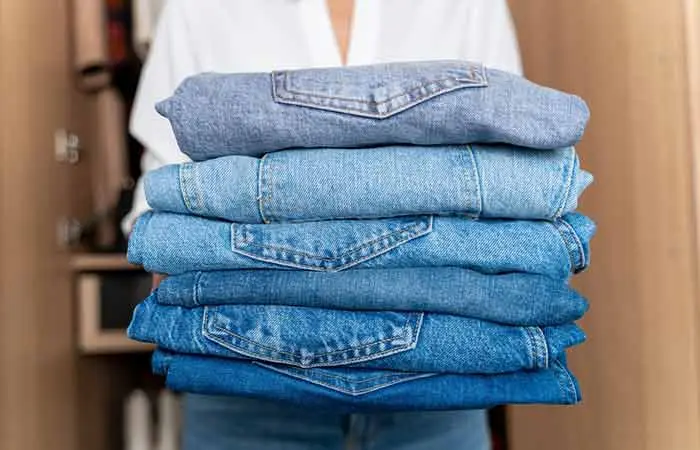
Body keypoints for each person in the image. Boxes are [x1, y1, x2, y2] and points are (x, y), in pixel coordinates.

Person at [126, 1, 522, 448]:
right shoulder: (201, 7)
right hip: (247, 388)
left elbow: (505, 168)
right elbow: (163, 186)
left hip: (439, 390)